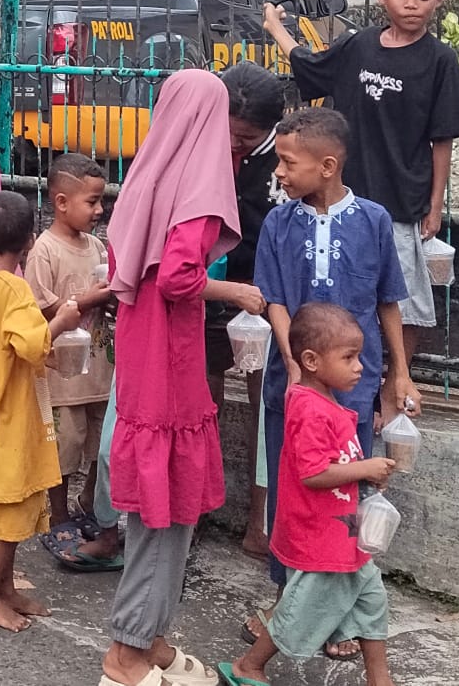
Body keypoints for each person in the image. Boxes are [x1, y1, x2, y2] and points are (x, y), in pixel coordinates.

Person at [244, 106, 421, 661]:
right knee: (291, 491)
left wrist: (399, 373)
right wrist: (293, 362)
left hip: (355, 387)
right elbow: (273, 297)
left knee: (345, 496)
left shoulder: (372, 220)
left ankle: (336, 611)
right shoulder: (279, 222)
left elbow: (388, 300)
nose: (277, 171)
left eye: (286, 162)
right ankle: (286, 599)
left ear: (326, 165)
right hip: (290, 386)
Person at [97, 69, 248, 686]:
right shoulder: (198, 189)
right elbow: (181, 277)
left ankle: (149, 638)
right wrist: (236, 289)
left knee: (157, 505)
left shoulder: (146, 178)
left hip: (140, 353)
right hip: (170, 363)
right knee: (167, 513)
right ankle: (128, 654)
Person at [264, 0, 459, 387]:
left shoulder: (440, 61)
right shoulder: (357, 46)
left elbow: (443, 139)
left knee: (403, 301)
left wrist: (434, 206)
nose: (411, 5)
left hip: (400, 202)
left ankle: (393, 383)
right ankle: (336, 383)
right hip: (343, 200)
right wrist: (274, 27)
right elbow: (308, 63)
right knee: (340, 297)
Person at [218, 303, 399, 686]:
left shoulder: (329, 403)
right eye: (349, 357)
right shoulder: (308, 408)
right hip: (319, 536)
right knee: (299, 608)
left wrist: (367, 478)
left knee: (372, 601)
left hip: (345, 533)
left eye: (359, 356)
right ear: (312, 361)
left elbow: (337, 462)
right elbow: (313, 473)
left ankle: (379, 679)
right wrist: (365, 469)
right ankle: (248, 666)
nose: (360, 367)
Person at [0, 190, 79, 632]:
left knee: (13, 501)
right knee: (9, 514)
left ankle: (3, 586)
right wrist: (63, 321)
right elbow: (32, 345)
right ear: (29, 242)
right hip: (12, 415)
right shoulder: (14, 289)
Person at [210, 62, 289, 559]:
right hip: (212, 293)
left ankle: (260, 523)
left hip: (266, 300)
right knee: (203, 403)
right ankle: (196, 509)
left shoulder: (286, 160)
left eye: (245, 136)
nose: (234, 143)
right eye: (228, 131)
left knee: (268, 406)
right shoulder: (207, 145)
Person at [25, 153, 118, 572]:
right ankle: (58, 514)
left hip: (99, 369)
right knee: (63, 449)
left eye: (101, 202)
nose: (99, 211)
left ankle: (90, 506)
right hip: (62, 375)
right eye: (92, 202)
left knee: (101, 447)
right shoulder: (44, 251)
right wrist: (96, 297)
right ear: (61, 202)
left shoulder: (96, 246)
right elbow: (40, 311)